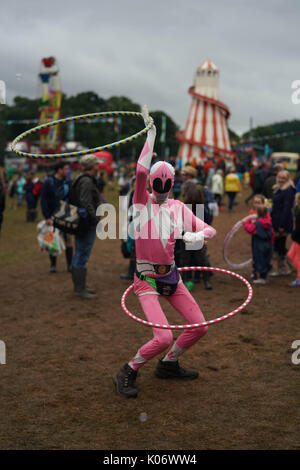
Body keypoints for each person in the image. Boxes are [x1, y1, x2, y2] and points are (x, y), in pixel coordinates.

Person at [114, 106, 216, 399]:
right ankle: (127, 370)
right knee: (162, 336)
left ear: (172, 184)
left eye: (164, 184)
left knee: (199, 327)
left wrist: (197, 234)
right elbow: (141, 170)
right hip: (146, 279)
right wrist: (152, 133)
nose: (159, 188)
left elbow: (209, 230)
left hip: (171, 278)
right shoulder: (141, 202)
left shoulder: (179, 208)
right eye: (156, 184)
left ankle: (169, 364)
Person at [70, 155, 100, 299]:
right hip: (86, 224)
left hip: (82, 223)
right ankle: (79, 289)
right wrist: (95, 220)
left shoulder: (80, 178)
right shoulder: (87, 181)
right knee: (82, 254)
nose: (98, 166)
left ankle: (80, 287)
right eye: (96, 164)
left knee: (80, 253)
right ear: (92, 166)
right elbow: (86, 203)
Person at [41, 162, 73, 273]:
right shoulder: (48, 182)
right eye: (65, 169)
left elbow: (72, 198)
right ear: (59, 170)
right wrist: (47, 217)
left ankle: (70, 265)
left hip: (66, 216)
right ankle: (53, 265)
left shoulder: (68, 182)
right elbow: (44, 200)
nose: (67, 171)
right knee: (51, 241)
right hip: (52, 216)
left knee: (68, 240)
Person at [270, 170, 296, 276]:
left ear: (288, 179)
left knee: (280, 246)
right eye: (279, 177)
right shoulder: (277, 189)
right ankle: (290, 266)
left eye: (283, 178)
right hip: (275, 220)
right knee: (279, 246)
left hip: (282, 222)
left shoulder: (288, 190)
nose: (281, 180)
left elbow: (286, 209)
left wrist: (281, 225)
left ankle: (284, 268)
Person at [243, 205, 274, 285]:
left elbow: (250, 229)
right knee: (266, 259)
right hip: (268, 244)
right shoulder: (269, 222)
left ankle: (262, 278)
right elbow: (272, 234)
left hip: (259, 244)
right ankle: (265, 275)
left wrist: (245, 223)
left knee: (260, 260)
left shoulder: (257, 223)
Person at [287, 193, 300, 286]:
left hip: (299, 238)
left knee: (297, 258)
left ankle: (299, 278)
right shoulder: (297, 208)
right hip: (297, 237)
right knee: (290, 255)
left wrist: (294, 234)